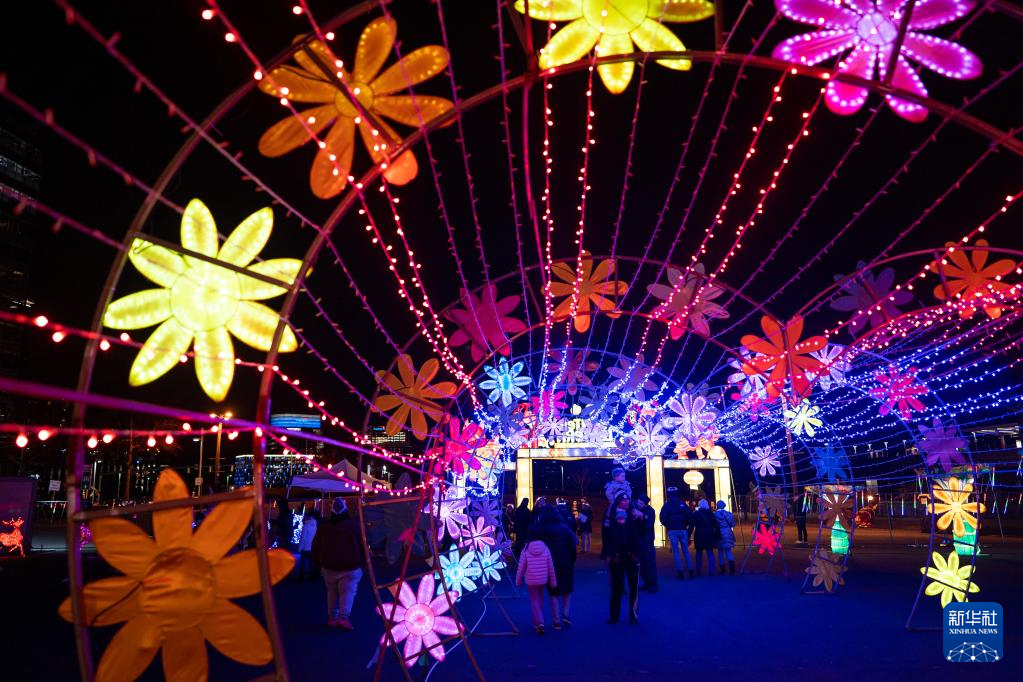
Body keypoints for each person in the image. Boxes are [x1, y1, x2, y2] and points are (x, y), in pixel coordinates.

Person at [312, 497, 364, 630]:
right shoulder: (354, 526)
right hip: (351, 566)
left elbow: (315, 546)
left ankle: (332, 618)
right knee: (348, 592)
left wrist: (318, 564)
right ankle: (343, 617)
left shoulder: (324, 527)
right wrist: (363, 563)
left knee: (331, 592)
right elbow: (362, 545)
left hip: (329, 566)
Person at [531, 505, 577, 629]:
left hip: (548, 564)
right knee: (567, 589)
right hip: (565, 562)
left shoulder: (540, 530)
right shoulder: (564, 529)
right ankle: (566, 614)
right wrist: (572, 559)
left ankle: (556, 621)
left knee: (553, 592)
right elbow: (572, 546)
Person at [600, 493, 642, 625]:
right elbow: (605, 536)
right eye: (624, 500)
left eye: (628, 499)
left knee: (633, 586)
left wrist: (637, 552)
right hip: (616, 555)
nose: (627, 502)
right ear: (618, 501)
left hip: (631, 554)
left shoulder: (633, 513)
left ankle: (633, 615)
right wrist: (607, 554)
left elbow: (639, 531)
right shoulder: (609, 514)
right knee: (616, 586)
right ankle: (614, 615)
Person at [515, 531, 558, 635]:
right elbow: (550, 566)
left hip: (531, 579)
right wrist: (553, 580)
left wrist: (518, 580)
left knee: (534, 599)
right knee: (540, 598)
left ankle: (540, 622)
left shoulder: (525, 549)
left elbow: (521, 567)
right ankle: (536, 621)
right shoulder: (545, 548)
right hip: (543, 579)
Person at [660, 487, 695, 579]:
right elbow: (689, 516)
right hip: (683, 529)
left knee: (676, 552)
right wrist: (685, 524)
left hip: (672, 530)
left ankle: (680, 572)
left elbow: (662, 518)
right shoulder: (682, 504)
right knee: (686, 551)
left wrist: (668, 525)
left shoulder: (666, 505)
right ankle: (690, 570)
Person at [634, 494, 658, 592]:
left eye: (641, 504)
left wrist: (642, 517)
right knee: (641, 562)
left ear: (646, 505)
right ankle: (646, 582)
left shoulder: (650, 511)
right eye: (638, 502)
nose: (639, 505)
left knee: (650, 561)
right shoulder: (634, 506)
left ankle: (653, 583)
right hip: (638, 539)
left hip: (647, 539)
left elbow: (649, 525)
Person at [692, 499, 719, 577]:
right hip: (709, 535)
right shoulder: (710, 513)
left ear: (699, 505)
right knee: (710, 552)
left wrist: (688, 535)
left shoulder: (696, 514)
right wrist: (717, 535)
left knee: (699, 553)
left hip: (699, 534)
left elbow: (691, 525)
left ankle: (698, 570)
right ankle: (712, 570)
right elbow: (716, 525)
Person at [714, 501, 737, 575]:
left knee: (720, 552)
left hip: (719, 534)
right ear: (724, 506)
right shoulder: (729, 514)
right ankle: (732, 568)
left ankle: (722, 569)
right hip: (728, 533)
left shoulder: (714, 515)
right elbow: (733, 524)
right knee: (728, 551)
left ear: (717, 506)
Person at [296, 509, 319, 580]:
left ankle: (301, 577)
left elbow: (303, 538)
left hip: (305, 548)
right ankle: (313, 576)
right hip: (311, 547)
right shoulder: (315, 525)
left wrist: (299, 548)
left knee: (302, 562)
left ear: (307, 517)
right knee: (311, 562)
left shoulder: (306, 526)